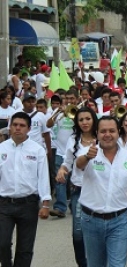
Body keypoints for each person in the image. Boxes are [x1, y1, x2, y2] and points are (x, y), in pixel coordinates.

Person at [76, 116, 127, 267]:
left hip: (119, 221)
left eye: (112, 131)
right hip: (91, 220)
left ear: (118, 132)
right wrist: (87, 157)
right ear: (97, 133)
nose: (107, 134)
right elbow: (79, 165)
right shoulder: (88, 152)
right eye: (103, 131)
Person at [0, 112, 51, 267]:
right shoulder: (1, 148)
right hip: (4, 204)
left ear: (28, 129)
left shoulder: (37, 150)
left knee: (25, 249)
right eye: (15, 125)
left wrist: (46, 204)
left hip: (28, 204)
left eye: (22, 126)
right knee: (2, 243)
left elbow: (43, 177)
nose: (18, 128)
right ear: (10, 127)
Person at [56, 107, 98, 267]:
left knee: (99, 231)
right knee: (78, 234)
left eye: (88, 119)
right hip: (79, 191)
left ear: (93, 119)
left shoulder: (102, 137)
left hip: (99, 191)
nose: (85, 122)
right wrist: (62, 170)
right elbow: (67, 162)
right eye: (81, 120)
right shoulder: (73, 139)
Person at [47, 89, 79, 218]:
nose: (69, 101)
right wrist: (58, 113)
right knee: (60, 180)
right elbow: (48, 124)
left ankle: (74, 205)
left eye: (72, 98)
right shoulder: (58, 111)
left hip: (76, 152)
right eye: (67, 98)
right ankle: (60, 207)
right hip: (60, 152)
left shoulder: (80, 112)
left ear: (76, 99)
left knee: (75, 181)